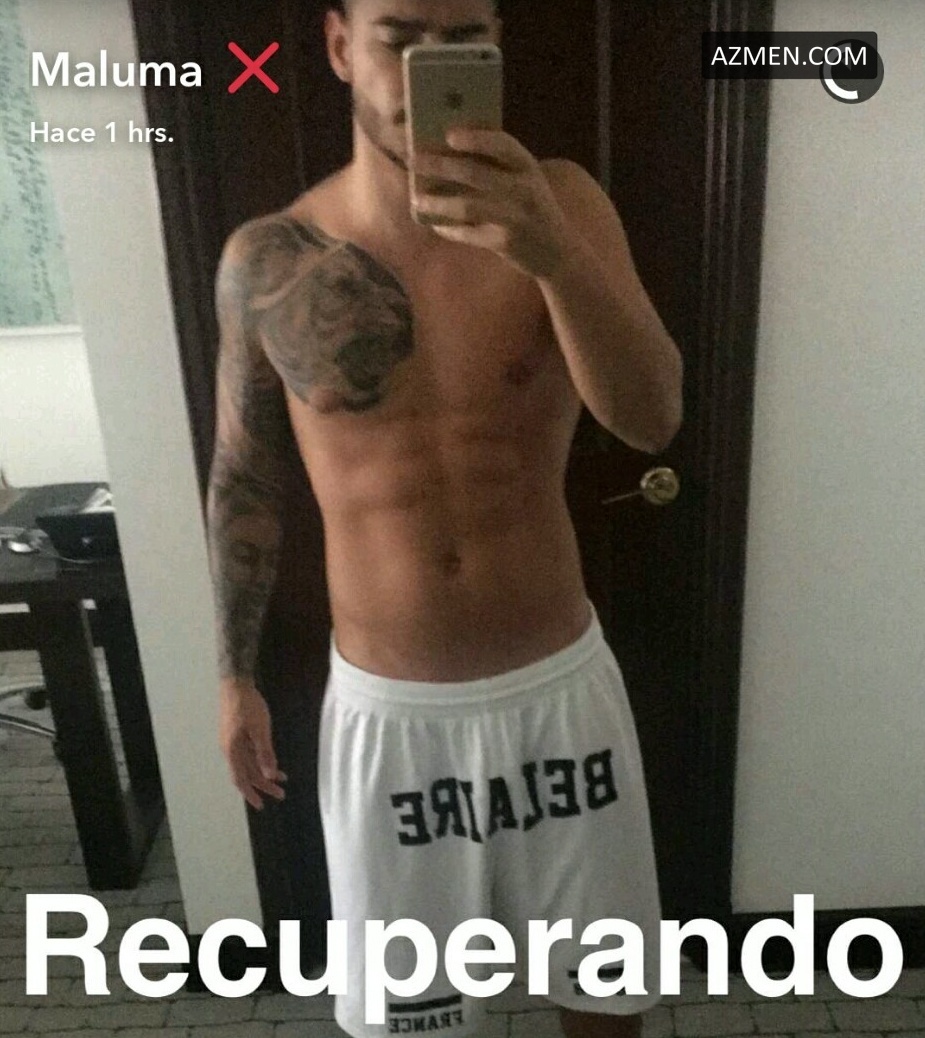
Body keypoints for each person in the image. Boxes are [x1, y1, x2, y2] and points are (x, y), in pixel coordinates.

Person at [206, 1, 683, 1035]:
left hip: (558, 695)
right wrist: (234, 675)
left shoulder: (563, 205)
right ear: (341, 47)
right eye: (401, 37)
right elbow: (243, 475)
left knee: (606, 1005)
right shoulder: (270, 260)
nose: (430, 65)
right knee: (415, 1023)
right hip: (392, 722)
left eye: (463, 39)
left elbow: (651, 419)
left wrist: (552, 256)